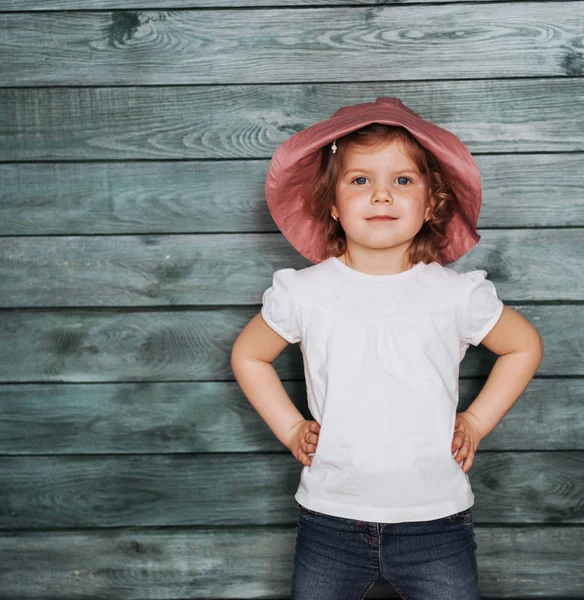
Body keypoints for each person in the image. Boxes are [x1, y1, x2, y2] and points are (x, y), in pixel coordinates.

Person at [230, 97, 544, 599]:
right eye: (360, 180)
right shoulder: (305, 293)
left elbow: (522, 345)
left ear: (430, 203)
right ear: (332, 204)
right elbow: (249, 355)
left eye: (402, 180)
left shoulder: (455, 295)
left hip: (436, 521)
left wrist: (477, 421)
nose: (381, 195)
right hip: (331, 519)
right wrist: (291, 428)